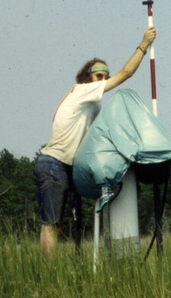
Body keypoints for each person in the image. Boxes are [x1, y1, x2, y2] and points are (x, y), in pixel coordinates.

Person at [34, 26, 156, 258]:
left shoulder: (92, 104)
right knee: (51, 222)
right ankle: (45, 274)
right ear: (87, 77)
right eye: (99, 76)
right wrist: (143, 44)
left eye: (105, 76)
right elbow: (126, 74)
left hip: (66, 166)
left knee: (59, 223)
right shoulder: (83, 91)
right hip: (54, 163)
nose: (104, 80)